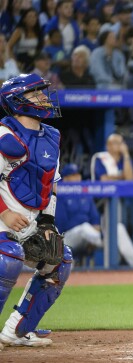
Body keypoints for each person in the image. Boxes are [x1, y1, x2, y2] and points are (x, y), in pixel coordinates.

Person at [0, 73, 72, 347]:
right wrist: (4, 213)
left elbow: (50, 184)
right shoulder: (4, 135)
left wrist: (46, 223)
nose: (44, 97)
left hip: (29, 222)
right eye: (36, 93)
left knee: (60, 260)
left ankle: (16, 331)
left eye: (43, 91)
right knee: (8, 258)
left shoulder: (51, 136)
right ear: (17, 101)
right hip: (2, 221)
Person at [90, 133, 133, 267]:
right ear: (108, 145)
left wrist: (127, 156)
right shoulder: (101, 158)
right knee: (114, 233)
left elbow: (129, 179)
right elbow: (104, 180)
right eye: (114, 143)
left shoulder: (125, 160)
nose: (118, 146)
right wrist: (121, 177)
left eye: (120, 142)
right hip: (103, 205)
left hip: (123, 204)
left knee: (118, 235)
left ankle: (117, 270)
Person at [55, 163, 102, 263]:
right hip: (67, 237)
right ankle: (104, 243)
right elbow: (61, 226)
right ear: (66, 179)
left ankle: (101, 241)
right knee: (83, 228)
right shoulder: (61, 195)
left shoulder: (86, 194)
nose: (77, 177)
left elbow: (96, 221)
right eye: (73, 175)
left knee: (85, 229)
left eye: (78, 174)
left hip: (87, 237)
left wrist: (93, 228)